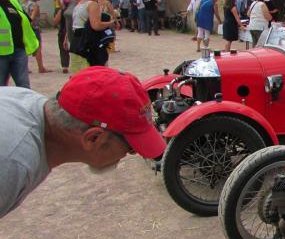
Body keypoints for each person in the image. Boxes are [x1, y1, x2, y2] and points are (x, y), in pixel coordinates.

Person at [0, 66, 166, 219]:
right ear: (93, 138)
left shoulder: (24, 100)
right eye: (131, 147)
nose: (130, 153)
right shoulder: (12, 164)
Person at [0, 0, 39, 88]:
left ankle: (25, 105)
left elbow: (26, 24)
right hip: (1, 54)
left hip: (19, 51)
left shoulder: (14, 3)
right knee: (1, 88)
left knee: (24, 86)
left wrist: (33, 45)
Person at [69, 0, 116, 72]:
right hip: (88, 43)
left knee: (79, 72)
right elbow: (96, 26)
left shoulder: (78, 5)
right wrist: (110, 23)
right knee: (96, 72)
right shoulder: (92, 4)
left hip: (76, 42)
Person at [23, 0, 51, 73]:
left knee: (25, 47)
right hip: (33, 28)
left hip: (25, 28)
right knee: (38, 47)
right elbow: (33, 16)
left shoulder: (25, 3)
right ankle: (41, 67)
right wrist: (30, 23)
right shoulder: (34, 5)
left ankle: (25, 68)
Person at [62, 0, 81, 71]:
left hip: (81, 42)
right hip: (72, 40)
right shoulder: (71, 2)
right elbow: (70, 21)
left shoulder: (87, 3)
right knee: (76, 69)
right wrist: (66, 38)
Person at [52, 0, 69, 73]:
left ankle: (65, 66)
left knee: (63, 49)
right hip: (72, 31)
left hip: (63, 31)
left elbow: (55, 21)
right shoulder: (75, 9)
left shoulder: (61, 11)